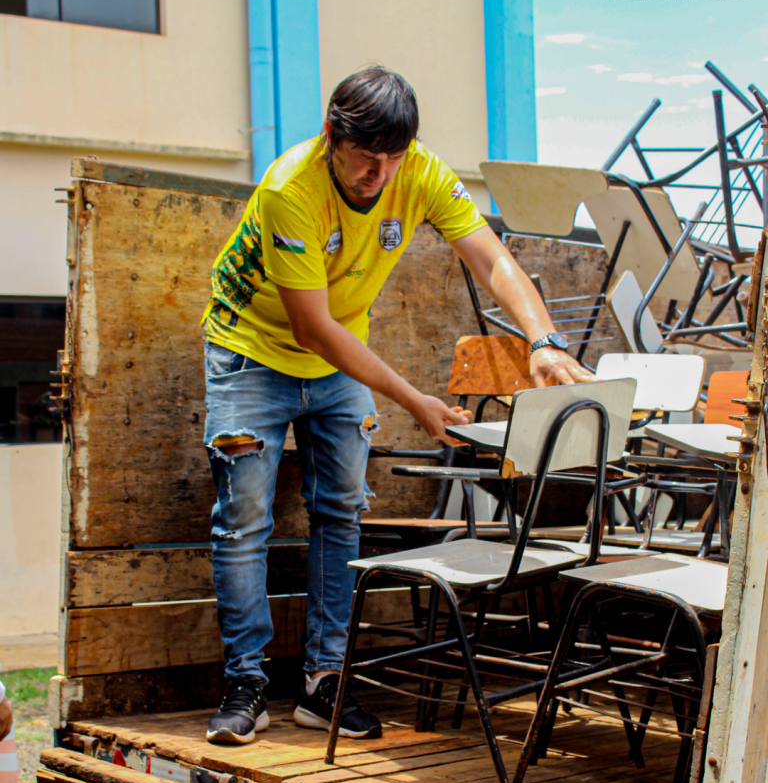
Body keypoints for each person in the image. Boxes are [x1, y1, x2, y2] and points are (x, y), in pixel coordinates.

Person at [202, 66, 593, 745]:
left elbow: (492, 260)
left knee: (342, 512)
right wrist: (414, 399)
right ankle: (247, 681)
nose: (378, 176)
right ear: (332, 137)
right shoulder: (291, 188)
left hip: (339, 355)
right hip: (252, 351)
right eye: (364, 158)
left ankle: (325, 682)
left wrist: (543, 338)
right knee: (244, 523)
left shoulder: (421, 172)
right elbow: (312, 330)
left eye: (392, 159)